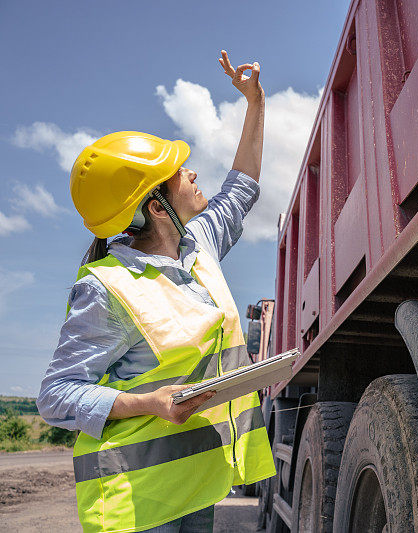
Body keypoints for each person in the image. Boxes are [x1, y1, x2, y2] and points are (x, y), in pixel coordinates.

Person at [37, 50, 275, 532]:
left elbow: (241, 189)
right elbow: (56, 396)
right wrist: (150, 403)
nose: (191, 171)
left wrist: (255, 107)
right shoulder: (107, 287)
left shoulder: (198, 246)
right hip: (137, 505)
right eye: (178, 170)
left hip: (196, 486)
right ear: (156, 206)